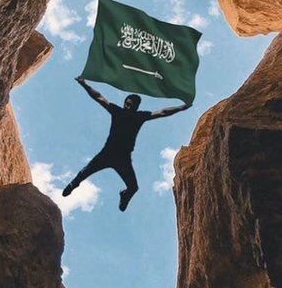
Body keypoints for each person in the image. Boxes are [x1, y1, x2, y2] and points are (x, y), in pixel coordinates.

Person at [62, 76, 192, 211]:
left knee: (133, 187)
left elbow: (162, 112)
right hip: (107, 153)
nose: (128, 106)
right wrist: (84, 84)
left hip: (123, 158)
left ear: (136, 107)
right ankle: (73, 185)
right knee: (84, 172)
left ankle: (124, 195)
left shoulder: (139, 116)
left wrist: (181, 107)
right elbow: (99, 97)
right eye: (127, 103)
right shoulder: (117, 111)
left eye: (131, 105)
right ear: (124, 103)